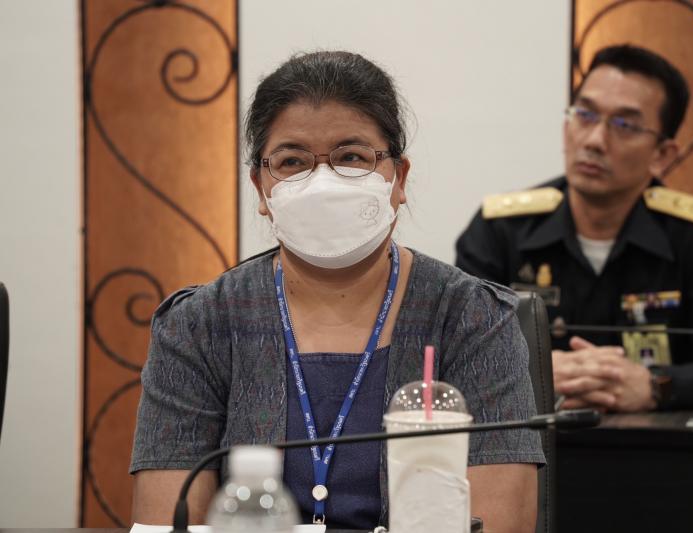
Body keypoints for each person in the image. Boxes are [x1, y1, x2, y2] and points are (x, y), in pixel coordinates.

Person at [130, 51, 543, 531]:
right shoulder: (198, 325)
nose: (323, 183)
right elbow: (167, 520)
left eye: (351, 157)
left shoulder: (472, 319)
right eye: (292, 161)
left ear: (399, 179)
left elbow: (499, 523)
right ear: (261, 188)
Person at [456, 44, 693, 413]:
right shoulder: (501, 230)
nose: (594, 141)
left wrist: (656, 386)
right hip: (533, 442)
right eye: (585, 115)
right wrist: (532, 370)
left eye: (625, 125)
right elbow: (454, 352)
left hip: (657, 443)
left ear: (662, 155)